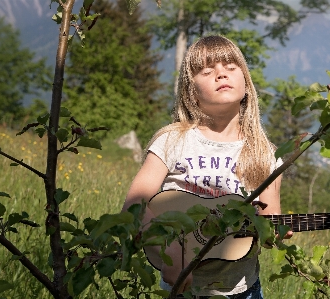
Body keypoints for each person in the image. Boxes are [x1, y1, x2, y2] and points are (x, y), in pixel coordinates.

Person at [122, 35, 291, 298]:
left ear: (245, 82)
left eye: (231, 68)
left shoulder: (265, 155)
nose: (221, 75)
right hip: (180, 289)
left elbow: (269, 229)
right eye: (207, 71)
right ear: (192, 93)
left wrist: (276, 231)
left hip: (242, 291)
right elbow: (134, 206)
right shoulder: (173, 141)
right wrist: (170, 255)